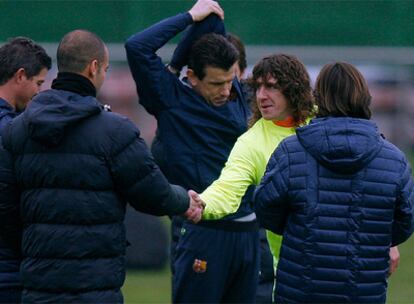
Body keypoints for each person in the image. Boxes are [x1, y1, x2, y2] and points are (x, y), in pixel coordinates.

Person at [0, 29, 202, 303]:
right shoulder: (115, 131)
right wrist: (183, 199)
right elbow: (152, 193)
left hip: (38, 285)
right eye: (105, 69)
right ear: (93, 68)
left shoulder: (16, 130)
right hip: (95, 285)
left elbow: (8, 207)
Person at [125, 0, 258, 302]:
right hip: (204, 232)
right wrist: (187, 17)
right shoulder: (171, 100)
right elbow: (137, 47)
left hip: (249, 231)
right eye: (216, 84)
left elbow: (212, 24)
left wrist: (202, 20)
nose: (225, 90)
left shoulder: (236, 92)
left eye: (229, 81)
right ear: (192, 77)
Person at [254, 62, 414, 303]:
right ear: (363, 96)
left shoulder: (290, 151)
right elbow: (404, 221)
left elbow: (266, 207)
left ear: (319, 98)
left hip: (300, 289)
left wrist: (300, 229)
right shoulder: (394, 160)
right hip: (363, 290)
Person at [198, 53, 314, 302]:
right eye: (258, 87)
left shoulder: (324, 121)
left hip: (348, 266)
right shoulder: (251, 143)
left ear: (294, 89)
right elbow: (227, 188)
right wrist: (201, 204)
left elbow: (369, 180)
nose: (261, 96)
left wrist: (387, 242)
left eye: (271, 87)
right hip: (293, 274)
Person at [0, 37, 51, 303]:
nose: (38, 92)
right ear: (21, 76)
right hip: (9, 270)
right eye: (39, 83)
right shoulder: (10, 133)